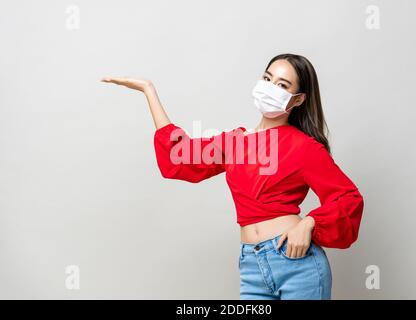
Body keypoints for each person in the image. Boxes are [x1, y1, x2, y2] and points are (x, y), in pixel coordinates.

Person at [101, 53, 364, 300]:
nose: (270, 87)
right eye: (267, 78)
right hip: (251, 266)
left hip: (297, 264)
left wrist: (309, 223)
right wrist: (149, 90)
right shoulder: (235, 142)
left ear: (298, 99)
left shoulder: (305, 147)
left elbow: (348, 198)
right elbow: (178, 157)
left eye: (282, 85)